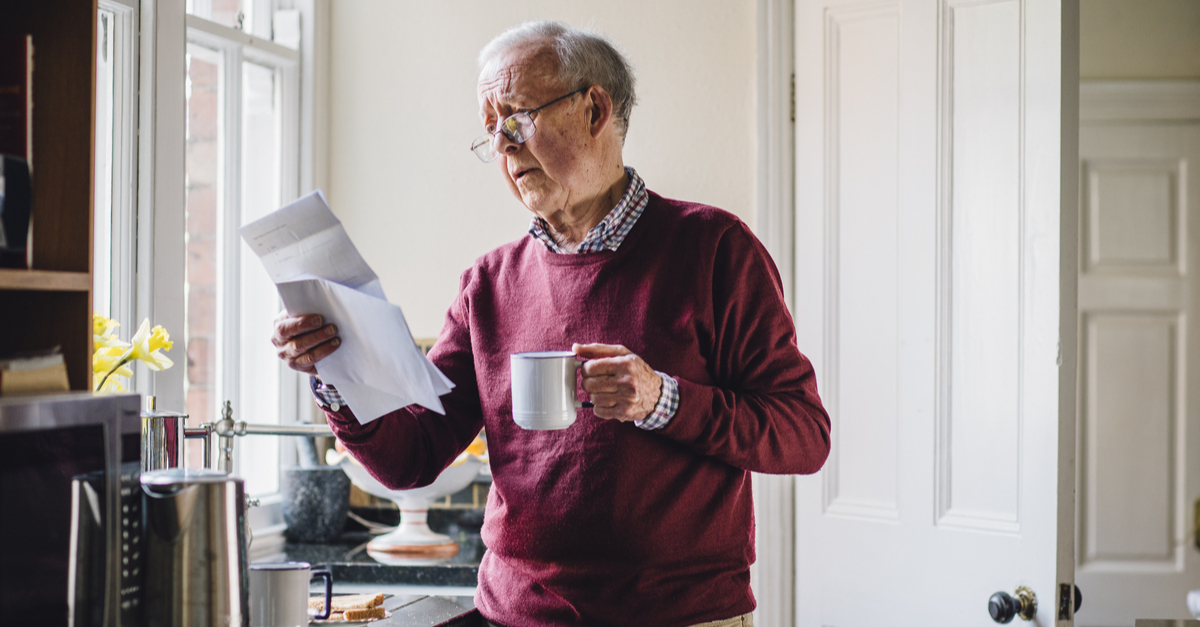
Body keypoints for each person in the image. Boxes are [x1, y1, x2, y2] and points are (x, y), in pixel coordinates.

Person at [272, 21, 830, 627]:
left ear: (594, 109)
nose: (504, 147)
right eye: (491, 131)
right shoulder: (487, 284)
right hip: (516, 614)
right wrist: (332, 369)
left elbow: (804, 435)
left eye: (516, 118)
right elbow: (414, 457)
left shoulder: (716, 249)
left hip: (680, 616)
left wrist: (661, 399)